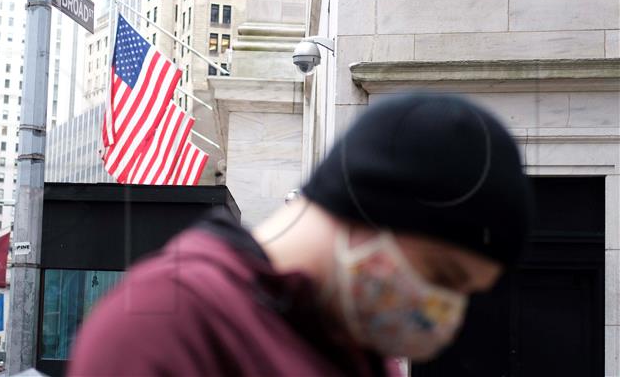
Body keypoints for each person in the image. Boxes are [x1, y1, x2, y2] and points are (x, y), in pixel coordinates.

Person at [67, 92, 534, 376]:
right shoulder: (170, 324)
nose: (446, 314)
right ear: (370, 211)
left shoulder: (362, 353)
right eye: (444, 275)